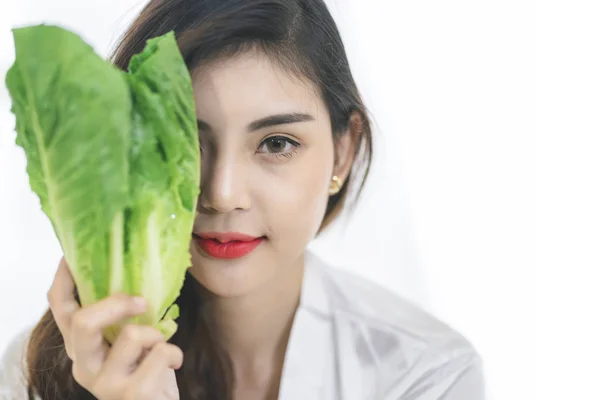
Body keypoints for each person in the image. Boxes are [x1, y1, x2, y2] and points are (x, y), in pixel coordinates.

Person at [0, 0, 486, 399]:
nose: (222, 193)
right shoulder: (41, 373)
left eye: (277, 143)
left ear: (343, 151)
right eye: (186, 144)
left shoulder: (426, 374)